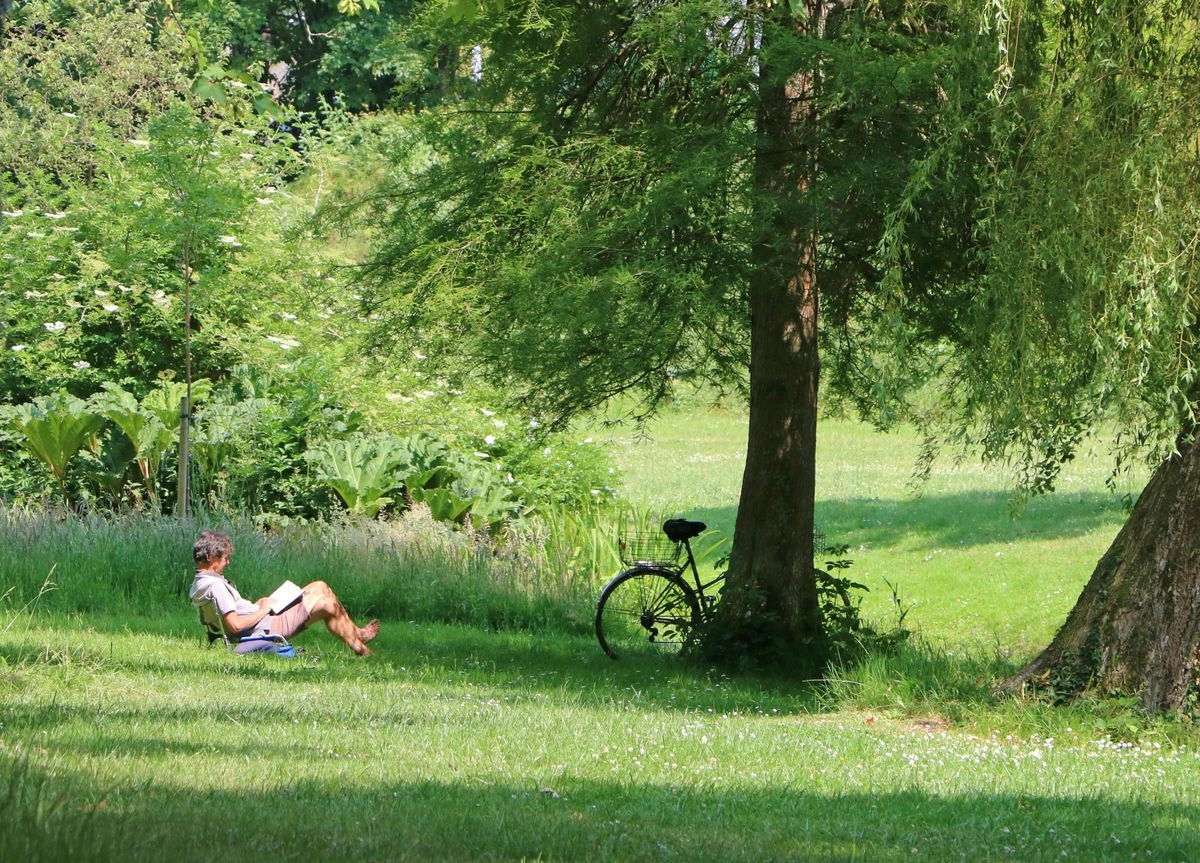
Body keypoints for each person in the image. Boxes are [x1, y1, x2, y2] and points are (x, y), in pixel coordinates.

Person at [189, 530, 380, 656]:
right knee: (326, 605)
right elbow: (236, 626)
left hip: (261, 619)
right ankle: (361, 648)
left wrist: (256, 606)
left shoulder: (201, 582)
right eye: (225, 558)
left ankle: (357, 633)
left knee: (320, 586)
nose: (227, 562)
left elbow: (232, 617)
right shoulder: (215, 586)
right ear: (212, 557)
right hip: (265, 627)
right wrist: (264, 609)